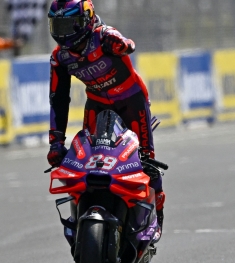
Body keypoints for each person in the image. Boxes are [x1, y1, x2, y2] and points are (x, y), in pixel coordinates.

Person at [45, 0, 165, 242]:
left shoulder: (103, 36)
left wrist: (120, 44)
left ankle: (156, 219)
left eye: (68, 24)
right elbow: (58, 99)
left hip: (131, 102)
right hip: (97, 104)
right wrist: (55, 142)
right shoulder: (60, 58)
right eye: (57, 25)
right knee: (87, 161)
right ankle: (83, 217)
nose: (63, 32)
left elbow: (128, 44)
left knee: (147, 163)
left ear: (86, 20)